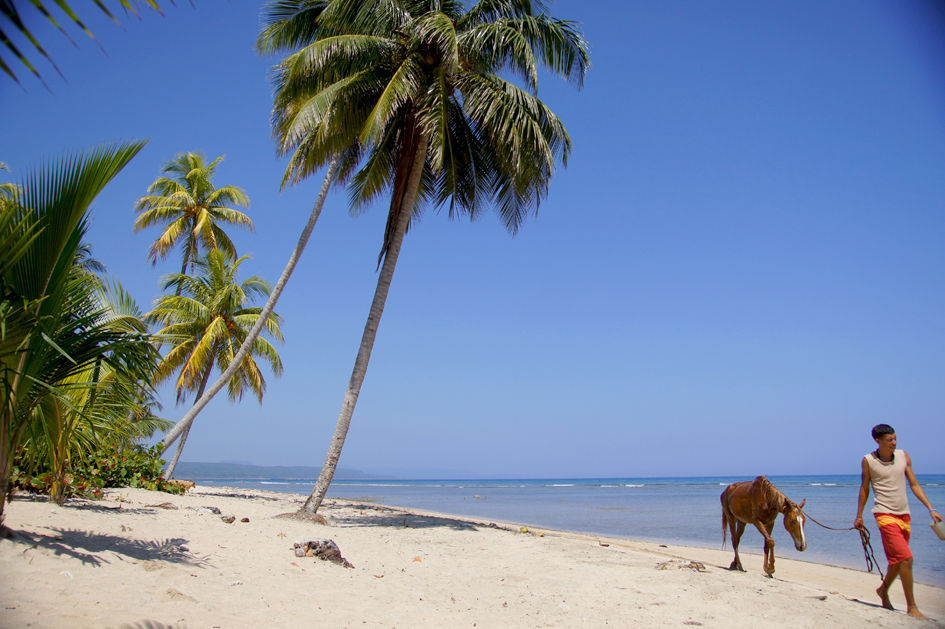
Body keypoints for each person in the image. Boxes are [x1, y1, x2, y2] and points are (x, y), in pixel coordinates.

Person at [854, 424, 942, 619]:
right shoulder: (868, 461)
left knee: (896, 561)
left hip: (904, 515)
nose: (894, 443)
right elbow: (865, 488)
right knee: (906, 558)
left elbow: (914, 484)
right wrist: (859, 515)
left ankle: (883, 591)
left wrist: (931, 508)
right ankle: (912, 607)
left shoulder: (904, 456)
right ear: (878, 440)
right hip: (884, 515)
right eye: (890, 440)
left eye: (895, 439)